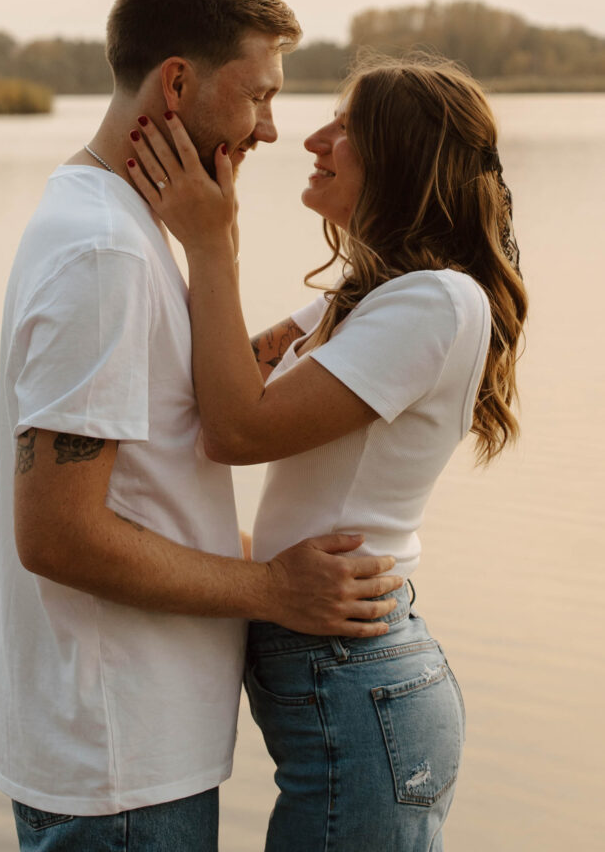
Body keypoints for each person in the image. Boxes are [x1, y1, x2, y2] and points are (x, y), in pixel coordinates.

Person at [0, 0, 402, 852]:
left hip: (114, 752)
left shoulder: (110, 223)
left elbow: (148, 458)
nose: (272, 130)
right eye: (257, 96)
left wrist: (223, 269)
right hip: (118, 765)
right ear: (176, 84)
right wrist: (274, 589)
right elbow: (57, 532)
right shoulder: (107, 255)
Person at [125, 54, 528, 851]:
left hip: (359, 681)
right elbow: (222, 390)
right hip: (343, 677)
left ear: (400, 155)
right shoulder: (362, 300)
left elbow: (233, 431)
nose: (314, 137)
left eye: (345, 126)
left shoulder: (433, 302)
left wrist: (214, 246)